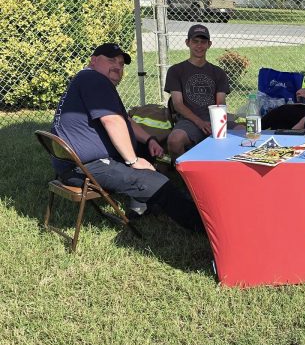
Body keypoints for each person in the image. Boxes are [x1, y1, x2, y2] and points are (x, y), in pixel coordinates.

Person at [51, 43, 203, 232]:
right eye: (111, 60)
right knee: (158, 183)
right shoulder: (95, 80)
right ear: (94, 61)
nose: (118, 66)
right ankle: (204, 224)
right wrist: (133, 160)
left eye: (121, 64)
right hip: (84, 169)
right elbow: (113, 121)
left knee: (147, 150)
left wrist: (150, 140)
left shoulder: (87, 79)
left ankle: (139, 206)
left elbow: (125, 120)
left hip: (72, 163)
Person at [164, 24, 230, 159]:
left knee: (244, 131)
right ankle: (186, 175)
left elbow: (220, 102)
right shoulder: (176, 70)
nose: (199, 46)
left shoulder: (218, 72)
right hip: (189, 121)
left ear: (209, 44)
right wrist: (200, 122)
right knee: (174, 141)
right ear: (187, 43)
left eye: (203, 42)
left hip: (214, 119)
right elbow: (178, 104)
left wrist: (217, 125)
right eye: (195, 41)